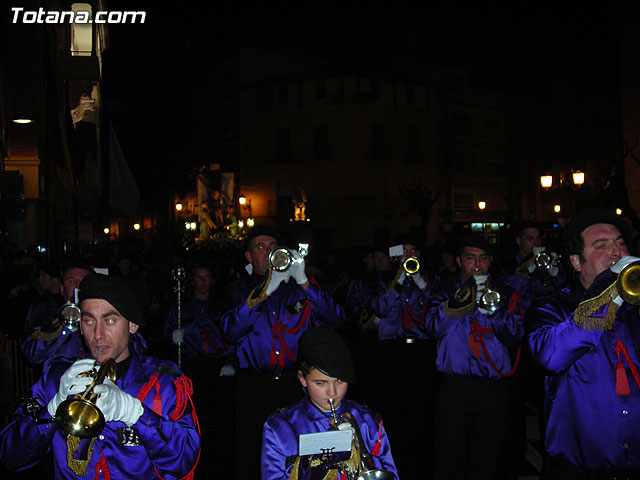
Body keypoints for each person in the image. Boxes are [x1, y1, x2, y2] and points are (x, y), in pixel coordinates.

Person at [0, 273, 201, 479]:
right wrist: (51, 410)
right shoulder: (57, 377)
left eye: (110, 320)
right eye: (88, 321)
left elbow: (185, 462)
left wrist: (137, 415)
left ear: (132, 325)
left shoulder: (164, 382)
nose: (97, 334)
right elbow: (11, 456)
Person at [221, 225, 345, 480]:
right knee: (252, 455)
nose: (267, 252)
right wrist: (265, 291)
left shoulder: (298, 287)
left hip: (294, 386)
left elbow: (336, 319)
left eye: (272, 247)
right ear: (249, 257)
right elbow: (230, 332)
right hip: (254, 386)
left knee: (298, 457)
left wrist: (303, 281)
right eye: (260, 247)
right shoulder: (238, 290)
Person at [527, 208, 640, 478]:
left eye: (621, 243)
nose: (617, 253)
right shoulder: (552, 305)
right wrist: (608, 295)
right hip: (576, 469)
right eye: (601, 246)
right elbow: (548, 357)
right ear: (576, 262)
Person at [425, 233, 523, 480]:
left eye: (483, 258)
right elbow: (433, 328)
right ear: (459, 261)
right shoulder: (444, 289)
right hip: (454, 387)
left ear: (490, 262)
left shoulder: (507, 293)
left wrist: (493, 310)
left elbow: (516, 336)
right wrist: (462, 300)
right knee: (448, 458)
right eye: (470, 258)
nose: (477, 264)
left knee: (486, 460)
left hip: (493, 388)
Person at [261, 327, 398, 480]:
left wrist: (359, 453)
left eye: (339, 382)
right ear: (302, 379)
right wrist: (316, 465)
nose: (332, 393)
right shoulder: (279, 427)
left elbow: (389, 474)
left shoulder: (368, 420)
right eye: (321, 383)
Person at [364, 235, 438, 478]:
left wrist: (418, 281)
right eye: (402, 252)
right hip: (392, 351)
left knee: (422, 412)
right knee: (393, 411)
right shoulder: (383, 280)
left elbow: (436, 306)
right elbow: (380, 308)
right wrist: (396, 282)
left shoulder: (430, 280)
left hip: (421, 350)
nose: (407, 256)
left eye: (412, 251)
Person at [21, 261, 93, 365]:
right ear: (62, 289)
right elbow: (30, 353)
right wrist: (66, 325)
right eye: (71, 281)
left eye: (84, 281)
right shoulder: (47, 314)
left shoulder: (102, 317)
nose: (78, 287)